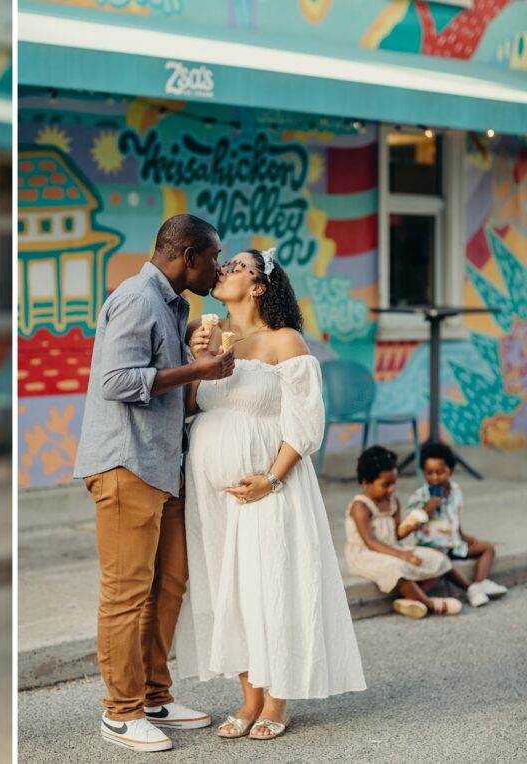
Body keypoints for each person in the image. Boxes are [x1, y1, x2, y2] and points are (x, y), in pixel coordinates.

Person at [178, 247, 365, 742]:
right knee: (228, 588)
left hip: (269, 489)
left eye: (238, 266)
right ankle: (248, 696)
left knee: (271, 586)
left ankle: (277, 698)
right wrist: (199, 360)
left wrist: (271, 479)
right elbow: (191, 409)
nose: (225, 270)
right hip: (213, 495)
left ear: (260, 286)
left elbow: (305, 423)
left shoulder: (286, 341)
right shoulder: (214, 336)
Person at [73, 214, 235, 753]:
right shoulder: (139, 298)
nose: (217, 267)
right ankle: (120, 713)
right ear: (188, 255)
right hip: (126, 465)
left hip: (161, 465)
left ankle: (154, 696)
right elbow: (116, 381)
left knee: (169, 583)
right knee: (125, 594)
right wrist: (199, 372)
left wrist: (191, 348)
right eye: (213, 257)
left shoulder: (172, 305)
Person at [345, 445, 458, 619]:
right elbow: (370, 541)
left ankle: (411, 600)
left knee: (438, 558)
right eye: (385, 484)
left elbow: (396, 534)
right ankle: (429, 604)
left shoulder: (393, 501)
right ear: (366, 482)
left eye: (394, 482)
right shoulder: (360, 506)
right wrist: (402, 555)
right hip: (367, 554)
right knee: (396, 567)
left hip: (393, 548)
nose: (391, 489)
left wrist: (408, 527)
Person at [405, 442, 507, 607]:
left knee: (487, 548)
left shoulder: (456, 491)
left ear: (450, 470)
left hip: (454, 543)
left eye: (440, 472)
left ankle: (480, 583)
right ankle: (471, 589)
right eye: (429, 473)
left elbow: (454, 518)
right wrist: (426, 509)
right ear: (423, 472)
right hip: (433, 547)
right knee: (442, 562)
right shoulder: (419, 496)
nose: (435, 478)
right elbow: (410, 525)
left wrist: (464, 535)